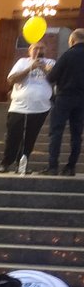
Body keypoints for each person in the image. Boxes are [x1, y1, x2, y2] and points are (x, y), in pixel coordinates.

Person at [0, 41, 54, 173]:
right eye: (35, 48)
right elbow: (11, 80)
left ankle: (21, 165)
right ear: (29, 51)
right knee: (13, 135)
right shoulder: (22, 62)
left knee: (30, 137)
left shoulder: (51, 63)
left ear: (45, 51)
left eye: (41, 48)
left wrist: (44, 69)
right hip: (19, 106)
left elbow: (55, 80)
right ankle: (6, 163)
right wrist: (30, 68)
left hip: (41, 107)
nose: (38, 50)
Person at [44, 28, 84, 176]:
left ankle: (53, 166)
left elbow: (51, 78)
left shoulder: (67, 55)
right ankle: (71, 167)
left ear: (72, 41)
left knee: (56, 132)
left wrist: (50, 69)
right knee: (76, 134)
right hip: (82, 99)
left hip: (64, 97)